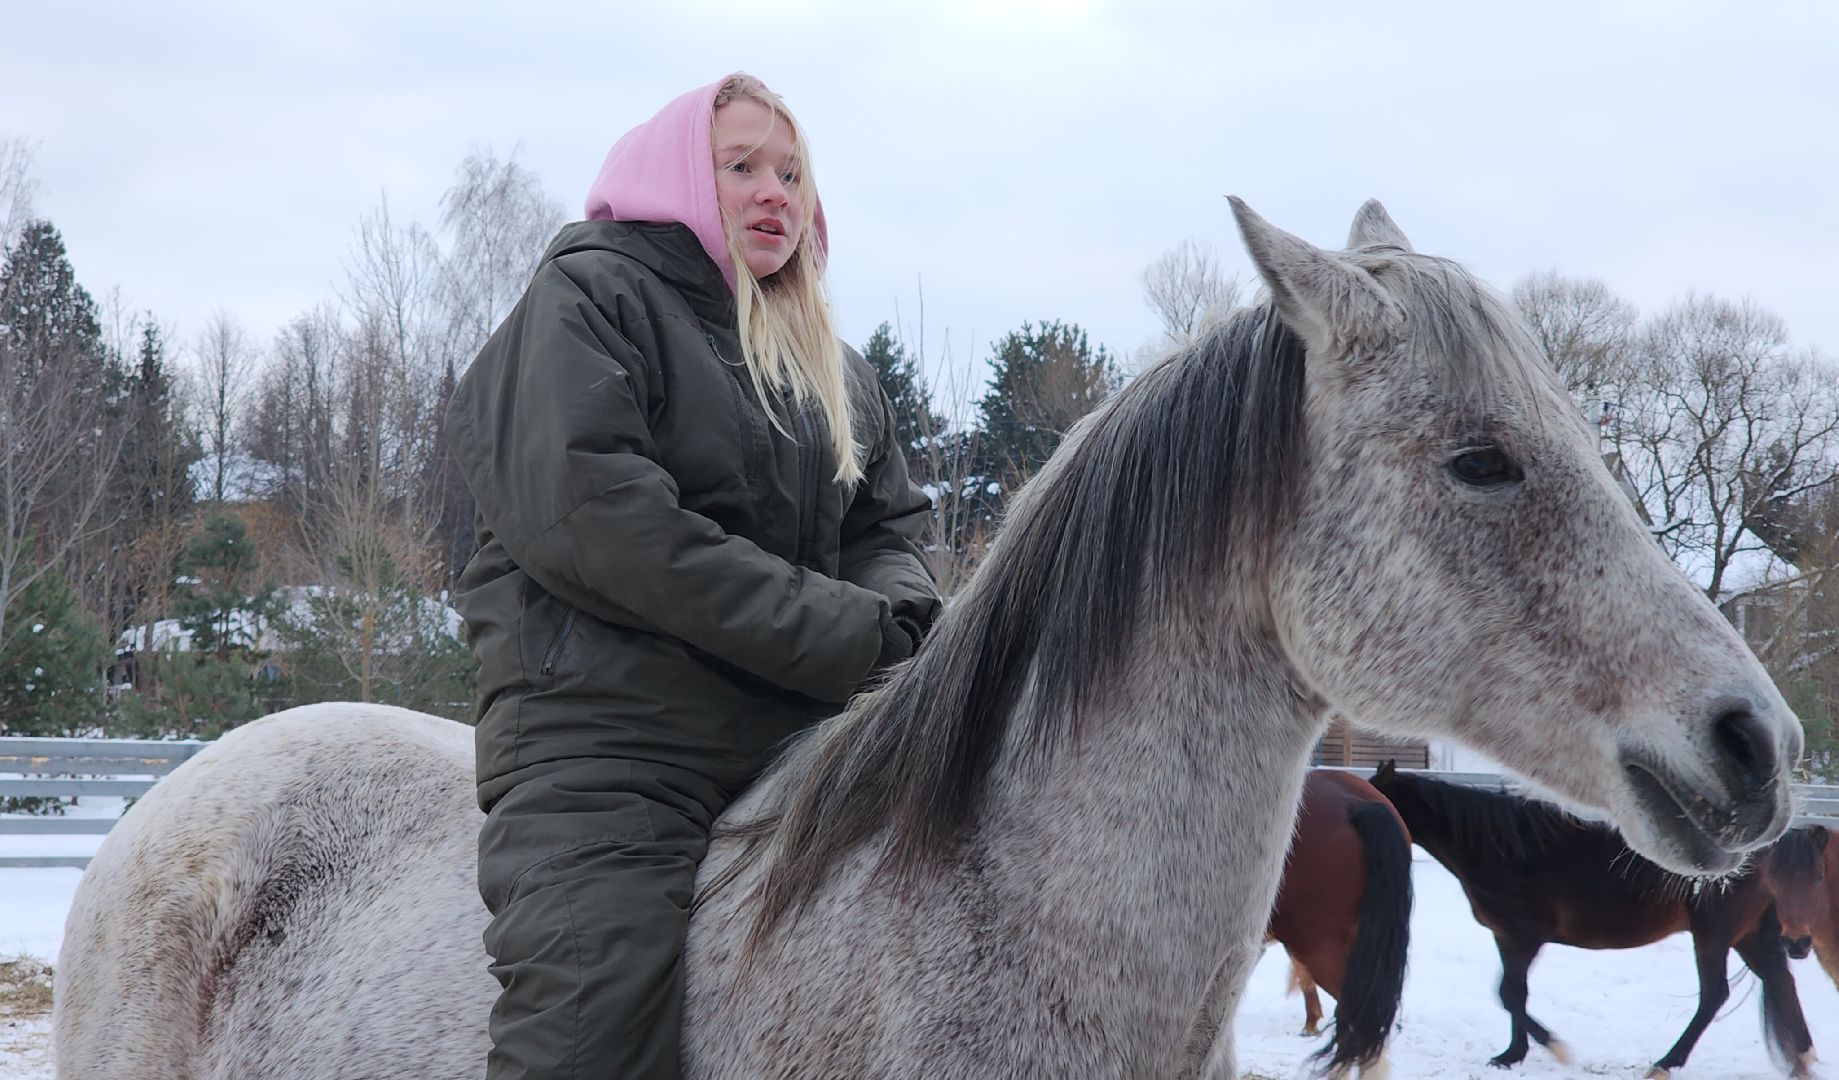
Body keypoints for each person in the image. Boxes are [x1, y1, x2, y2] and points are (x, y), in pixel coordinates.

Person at [444, 73, 940, 1079]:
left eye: (792, 173)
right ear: (677, 178)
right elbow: (608, 521)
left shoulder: (830, 369)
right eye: (742, 166)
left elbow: (885, 525)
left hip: (804, 732)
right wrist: (850, 633)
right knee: (595, 1010)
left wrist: (904, 617)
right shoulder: (589, 299)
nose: (776, 194)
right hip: (609, 741)